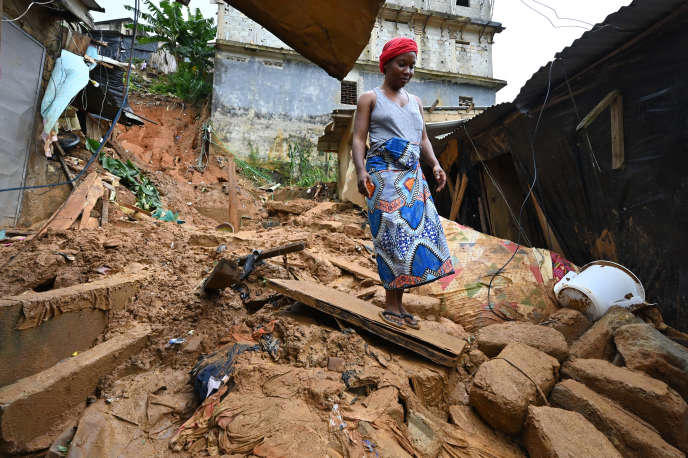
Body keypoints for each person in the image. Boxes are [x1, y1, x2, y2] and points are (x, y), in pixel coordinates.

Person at [351, 37, 454, 330]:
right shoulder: (370, 98)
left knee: (412, 237)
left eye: (412, 66)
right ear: (386, 65)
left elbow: (422, 139)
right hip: (382, 174)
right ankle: (391, 305)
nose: (407, 71)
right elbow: (359, 139)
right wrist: (361, 172)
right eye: (402, 64)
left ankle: (399, 305)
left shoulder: (417, 103)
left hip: (412, 177)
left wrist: (434, 164)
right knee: (391, 236)